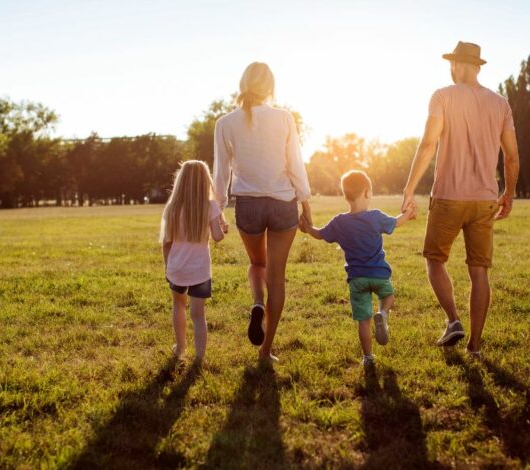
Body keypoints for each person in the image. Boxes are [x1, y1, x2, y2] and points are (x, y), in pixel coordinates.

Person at [401, 41, 520, 358]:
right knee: (479, 272)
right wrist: (508, 193)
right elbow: (511, 157)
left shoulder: (442, 96)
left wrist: (409, 189)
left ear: (458, 65)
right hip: (484, 200)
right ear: (477, 66)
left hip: (448, 196)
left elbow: (427, 145)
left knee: (434, 260)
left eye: (452, 64)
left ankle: (453, 320)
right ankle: (476, 346)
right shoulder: (500, 104)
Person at [213, 62, 312, 363]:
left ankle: (257, 303)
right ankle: (266, 350)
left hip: (249, 205)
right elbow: (295, 163)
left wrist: (218, 209)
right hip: (283, 204)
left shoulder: (225, 123)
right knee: (277, 277)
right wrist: (306, 203)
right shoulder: (284, 118)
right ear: (270, 87)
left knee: (258, 263)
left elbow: (221, 172)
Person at [299, 170, 413, 367]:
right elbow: (396, 222)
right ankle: (384, 313)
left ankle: (368, 357)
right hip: (379, 274)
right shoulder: (375, 217)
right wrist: (409, 213)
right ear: (367, 192)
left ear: (345, 196)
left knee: (364, 320)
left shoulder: (339, 222)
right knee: (388, 297)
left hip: (357, 279)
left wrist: (308, 228)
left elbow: (320, 234)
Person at [161, 160, 227, 364]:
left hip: (177, 268)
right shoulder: (210, 206)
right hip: (200, 270)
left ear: (181, 181)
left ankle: (180, 349)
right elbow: (217, 237)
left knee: (178, 306)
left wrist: (167, 267)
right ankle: (199, 357)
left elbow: (166, 242)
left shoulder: (172, 207)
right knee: (198, 315)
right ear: (204, 181)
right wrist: (222, 228)